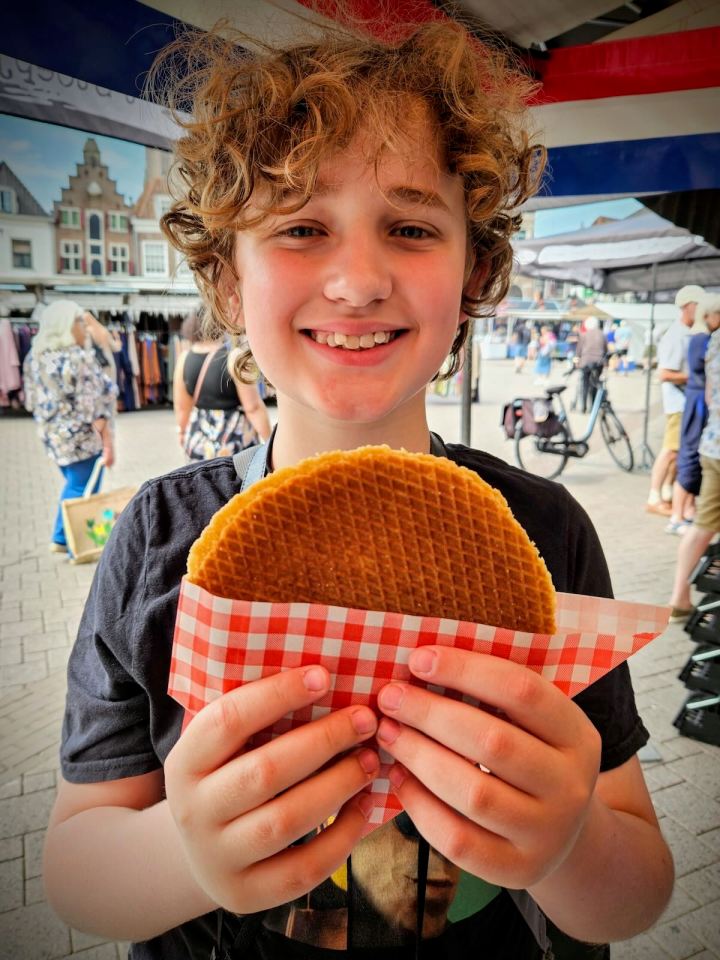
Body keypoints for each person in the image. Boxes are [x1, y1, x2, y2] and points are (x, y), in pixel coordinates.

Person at [43, 14, 673, 960]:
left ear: (474, 273)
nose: (358, 279)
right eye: (302, 227)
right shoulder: (157, 537)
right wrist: (186, 853)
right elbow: (77, 868)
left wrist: (572, 841)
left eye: (412, 227)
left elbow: (636, 892)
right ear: (226, 279)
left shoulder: (541, 532)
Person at [23, 300, 117, 556]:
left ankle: (61, 537)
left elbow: (30, 400)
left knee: (73, 482)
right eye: (79, 321)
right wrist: (107, 442)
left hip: (53, 435)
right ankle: (76, 544)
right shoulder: (78, 358)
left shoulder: (35, 357)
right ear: (66, 325)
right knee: (81, 489)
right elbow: (94, 409)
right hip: (82, 437)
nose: (84, 327)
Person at [668, 297, 720, 619]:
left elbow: (711, 394)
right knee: (703, 525)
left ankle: (680, 598)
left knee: (702, 524)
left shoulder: (712, 341)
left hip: (713, 441)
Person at [173, 310, 272, 459]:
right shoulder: (233, 357)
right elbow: (253, 407)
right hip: (233, 441)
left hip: (199, 442)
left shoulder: (184, 359)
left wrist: (182, 433)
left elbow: (182, 407)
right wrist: (269, 441)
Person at [646, 285, 705, 517]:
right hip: (678, 404)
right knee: (670, 451)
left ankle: (667, 494)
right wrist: (697, 377)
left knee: (678, 452)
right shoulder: (675, 335)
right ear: (688, 306)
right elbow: (665, 373)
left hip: (685, 403)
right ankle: (654, 495)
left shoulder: (687, 333)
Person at [574, 316, 607, 413]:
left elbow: (579, 350)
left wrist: (577, 360)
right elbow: (605, 349)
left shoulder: (584, 334)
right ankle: (593, 407)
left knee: (585, 384)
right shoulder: (602, 334)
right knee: (595, 384)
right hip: (598, 362)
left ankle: (583, 406)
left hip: (586, 361)